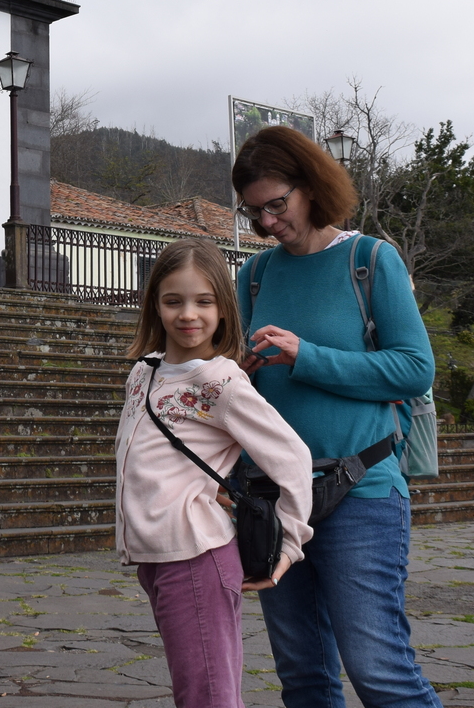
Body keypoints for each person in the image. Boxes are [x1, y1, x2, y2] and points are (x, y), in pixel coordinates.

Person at [233, 126, 439, 708]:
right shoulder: (254, 275)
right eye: (254, 211)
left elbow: (414, 368)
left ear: (311, 186)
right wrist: (240, 375)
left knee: (380, 672)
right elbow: (247, 394)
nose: (268, 221)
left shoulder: (369, 259)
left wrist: (307, 356)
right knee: (304, 678)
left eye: (278, 204)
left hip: (360, 490)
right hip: (275, 498)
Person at [116, 236, 314, 708]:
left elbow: (292, 457)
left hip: (195, 557)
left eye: (204, 301)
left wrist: (291, 542)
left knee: (207, 697)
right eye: (173, 301)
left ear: (223, 308)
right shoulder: (143, 372)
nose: (189, 314)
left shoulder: (220, 381)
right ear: (154, 305)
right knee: (201, 694)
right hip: (156, 558)